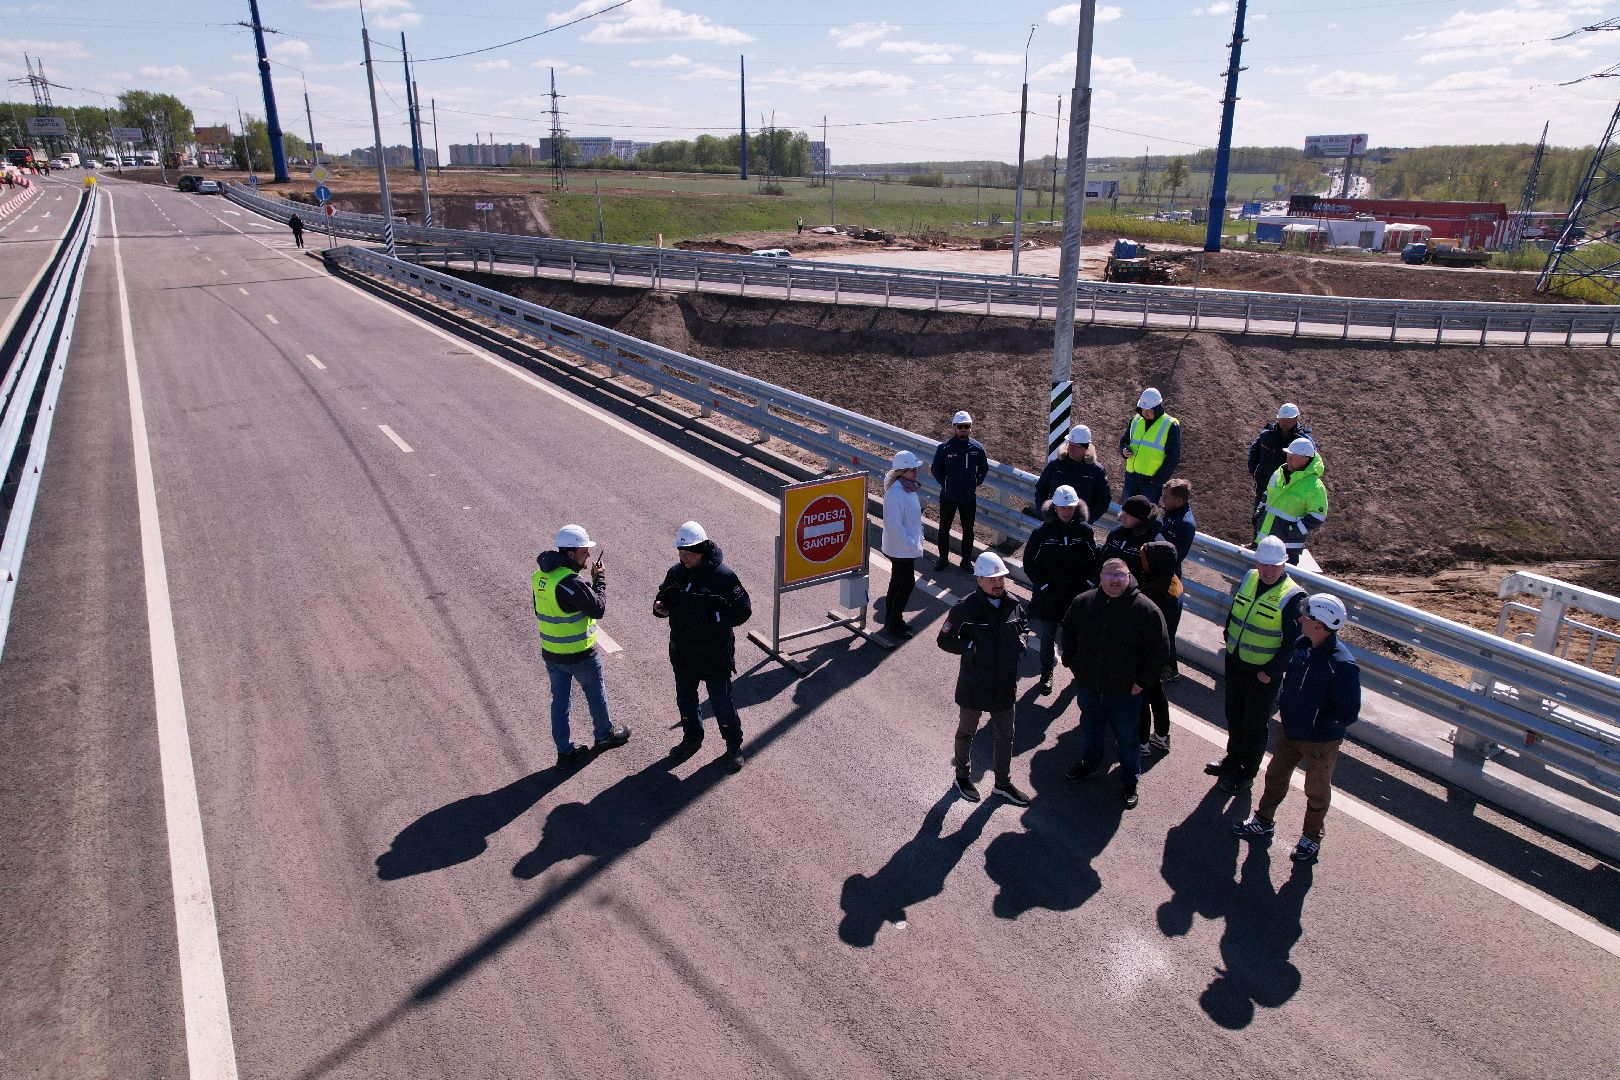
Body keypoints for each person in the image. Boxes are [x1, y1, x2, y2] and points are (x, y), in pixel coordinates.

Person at [1233, 593, 1361, 864]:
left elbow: (1348, 713)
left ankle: (1311, 837)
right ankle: (1263, 820)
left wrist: (1315, 725)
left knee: (1316, 790)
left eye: (1306, 616)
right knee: (1275, 776)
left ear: (1319, 625)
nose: (1300, 618)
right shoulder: (1302, 644)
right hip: (1290, 731)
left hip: (1320, 742)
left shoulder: (1342, 665)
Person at [1060, 558, 1170, 809]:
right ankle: (1090, 765)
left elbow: (1160, 652)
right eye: (1109, 575)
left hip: (1125, 693)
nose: (1114, 580)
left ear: (1129, 577)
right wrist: (1072, 664)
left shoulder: (1146, 611)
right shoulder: (1084, 602)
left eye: (1120, 575)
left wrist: (1142, 682)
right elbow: (1068, 631)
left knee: (1127, 739)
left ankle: (1130, 781)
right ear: (1100, 577)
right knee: (1090, 731)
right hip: (1089, 688)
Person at [1207, 535, 1306, 794]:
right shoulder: (1250, 577)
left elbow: (1293, 643)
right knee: (1234, 715)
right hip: (1236, 661)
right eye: (1264, 564)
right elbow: (1236, 611)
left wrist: (1271, 672)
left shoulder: (1293, 596)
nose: (1268, 571)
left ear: (1284, 564)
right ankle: (1232, 760)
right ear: (1257, 562)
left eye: (1275, 566)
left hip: (1262, 674)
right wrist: (1229, 638)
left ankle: (1247, 773)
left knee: (1254, 725)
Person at [654, 521, 753, 772]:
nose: (683, 557)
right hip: (683, 653)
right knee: (685, 701)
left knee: (722, 704)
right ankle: (692, 738)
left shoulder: (723, 577)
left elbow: (743, 610)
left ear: (702, 549)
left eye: (689, 552)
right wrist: (660, 607)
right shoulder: (676, 574)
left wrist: (714, 618)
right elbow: (663, 596)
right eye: (681, 552)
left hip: (714, 657)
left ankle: (733, 746)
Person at [937, 552, 1032, 806]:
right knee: (966, 732)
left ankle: (1002, 784)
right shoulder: (964, 608)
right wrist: (970, 647)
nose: (998, 583)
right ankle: (962, 777)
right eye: (992, 579)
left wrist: (1021, 642)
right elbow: (944, 640)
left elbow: (1024, 627)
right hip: (974, 684)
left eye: (1001, 578)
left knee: (1006, 735)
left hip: (1004, 685)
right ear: (979, 580)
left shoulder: (1013, 604)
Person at [532, 524, 631, 768]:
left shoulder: (540, 577)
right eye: (584, 552)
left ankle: (564, 752)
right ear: (570, 553)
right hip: (580, 654)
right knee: (595, 693)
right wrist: (599, 581)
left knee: (560, 703)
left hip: (552, 653)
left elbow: (539, 609)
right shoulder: (572, 582)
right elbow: (597, 608)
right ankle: (604, 735)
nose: (588, 556)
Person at [1023, 485, 1099, 695]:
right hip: (1050, 597)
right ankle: (1046, 672)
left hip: (1077, 597)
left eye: (1070, 507)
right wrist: (1045, 586)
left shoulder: (1085, 531)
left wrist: (1089, 585)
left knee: (1079, 636)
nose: (1066, 511)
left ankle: (1079, 671)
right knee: (1048, 636)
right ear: (1054, 507)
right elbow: (1029, 562)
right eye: (1062, 507)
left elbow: (1096, 561)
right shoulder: (1042, 532)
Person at [1133, 534, 1183, 756]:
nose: (1143, 562)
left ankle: (1141, 742)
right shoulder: (1172, 582)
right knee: (1157, 694)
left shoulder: (1156, 593)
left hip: (1148, 654)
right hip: (1163, 653)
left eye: (1146, 559)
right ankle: (1162, 736)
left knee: (1141, 697)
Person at [930, 410, 989, 572]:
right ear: (954, 427)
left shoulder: (977, 448)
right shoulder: (944, 447)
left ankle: (966, 561)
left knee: (968, 531)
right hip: (948, 496)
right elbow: (935, 469)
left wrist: (976, 482)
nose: (963, 429)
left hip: (968, 497)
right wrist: (945, 484)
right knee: (944, 528)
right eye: (960, 426)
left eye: (966, 426)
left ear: (970, 427)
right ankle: (943, 559)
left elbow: (984, 468)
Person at [1255, 437, 1328, 565]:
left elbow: (1317, 515)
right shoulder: (1279, 473)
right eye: (1288, 455)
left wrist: (1292, 531)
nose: (1289, 459)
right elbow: (1267, 494)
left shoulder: (1315, 486)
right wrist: (1260, 511)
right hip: (1264, 542)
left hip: (1288, 548)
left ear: (1306, 459)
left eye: (1293, 456)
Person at [880, 450, 925, 638]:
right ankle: (894, 624)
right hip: (901, 549)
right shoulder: (896, 493)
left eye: (916, 469)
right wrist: (910, 544)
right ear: (901, 471)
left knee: (897, 582)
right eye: (912, 470)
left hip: (903, 547)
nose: (915, 472)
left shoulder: (907, 487)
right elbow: (893, 526)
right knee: (906, 585)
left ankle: (892, 619)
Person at [1033, 424, 1111, 527]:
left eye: (1076, 447)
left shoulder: (1096, 471)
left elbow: (1103, 500)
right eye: (1070, 444)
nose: (1071, 449)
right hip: (1053, 524)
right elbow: (1041, 489)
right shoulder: (1055, 465)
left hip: (1079, 528)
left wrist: (1085, 520)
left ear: (1085, 448)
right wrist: (1046, 514)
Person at [1117, 387, 1181, 504]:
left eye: (1149, 410)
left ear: (1157, 408)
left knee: (1145, 514)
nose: (1145, 413)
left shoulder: (1170, 425)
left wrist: (1157, 480)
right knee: (1128, 511)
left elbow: (1173, 457)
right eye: (1143, 409)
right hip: (1131, 479)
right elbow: (1124, 441)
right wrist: (1124, 450)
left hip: (1150, 483)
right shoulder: (1135, 420)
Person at [1247, 403, 1312, 503]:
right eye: (1282, 419)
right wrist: (1256, 473)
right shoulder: (1266, 435)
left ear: (1296, 418)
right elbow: (1254, 453)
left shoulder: (1304, 442)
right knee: (1260, 512)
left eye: (1288, 419)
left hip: (1288, 491)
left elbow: (1310, 464)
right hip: (1264, 486)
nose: (1285, 422)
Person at [1099, 494, 1168, 568]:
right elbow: (1102, 559)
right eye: (1123, 511)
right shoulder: (1116, 533)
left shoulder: (1154, 544)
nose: (1122, 516)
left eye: (1128, 514)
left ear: (1140, 518)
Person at [1159, 477, 1196, 565]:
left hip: (1165, 568)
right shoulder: (1172, 510)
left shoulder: (1185, 524)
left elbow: (1176, 556)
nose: (1163, 499)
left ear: (1179, 500)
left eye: (1166, 497)